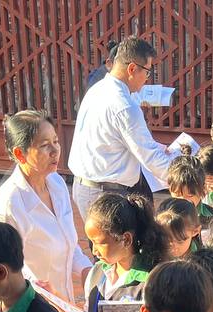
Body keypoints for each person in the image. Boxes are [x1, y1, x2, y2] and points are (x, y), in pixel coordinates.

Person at [0, 110, 93, 305]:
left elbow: (67, 243)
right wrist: (41, 291)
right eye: (44, 145)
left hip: (63, 305)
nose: (55, 151)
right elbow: (5, 270)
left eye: (56, 141)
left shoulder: (56, 183)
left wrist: (87, 270)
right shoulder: (10, 204)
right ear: (20, 154)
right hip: (32, 307)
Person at [69, 36, 182, 217]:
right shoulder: (124, 105)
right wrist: (185, 176)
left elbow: (118, 140)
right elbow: (150, 157)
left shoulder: (98, 89)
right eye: (147, 72)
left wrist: (160, 149)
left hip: (88, 187)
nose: (147, 79)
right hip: (106, 194)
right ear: (132, 69)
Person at [83, 193, 168, 312]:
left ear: (126, 239)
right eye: (91, 242)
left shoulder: (152, 281)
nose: (94, 251)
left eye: (99, 243)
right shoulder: (96, 273)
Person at [166, 156, 213, 224]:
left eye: (190, 195)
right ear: (169, 188)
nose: (183, 200)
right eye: (177, 195)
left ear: (204, 189)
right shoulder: (162, 219)